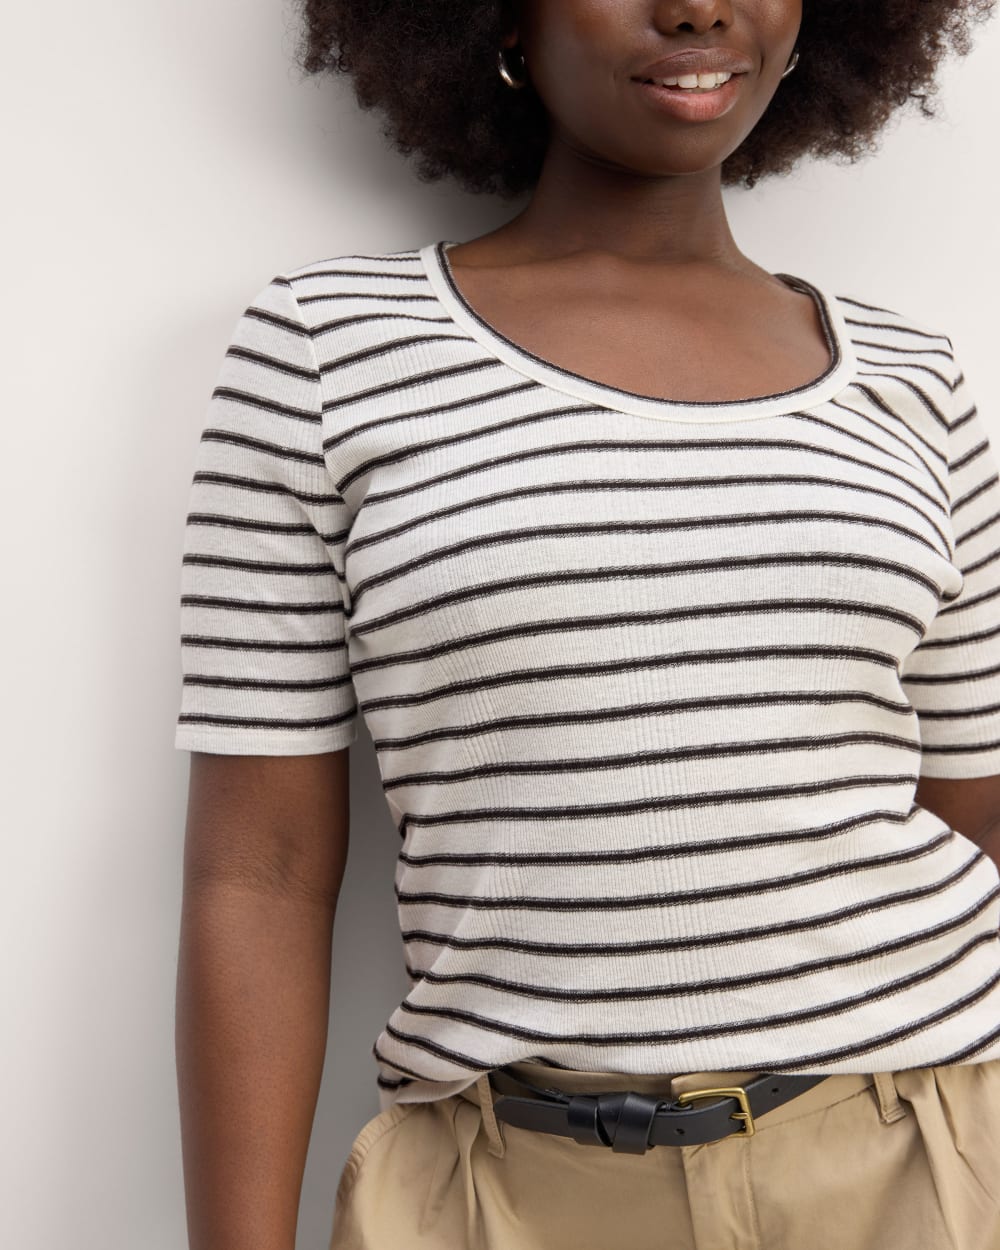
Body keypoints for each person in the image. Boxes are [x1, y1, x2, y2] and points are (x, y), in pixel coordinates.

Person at [173, 1, 1000, 1247]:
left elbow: (972, 810)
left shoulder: (910, 377)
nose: (697, 6)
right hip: (500, 1192)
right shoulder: (328, 350)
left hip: (917, 1165)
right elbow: (261, 872)